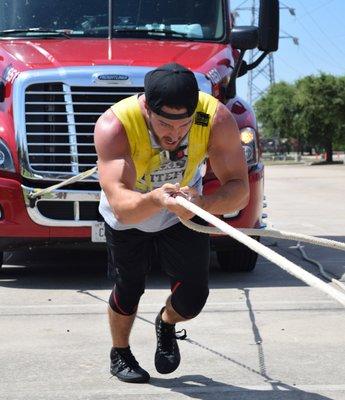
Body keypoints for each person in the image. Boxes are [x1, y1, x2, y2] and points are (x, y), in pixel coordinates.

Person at [94, 63, 249, 383]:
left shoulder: (215, 118)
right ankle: (120, 353)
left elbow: (240, 191)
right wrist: (154, 199)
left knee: (193, 299)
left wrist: (203, 204)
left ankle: (166, 322)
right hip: (131, 214)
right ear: (147, 109)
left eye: (184, 125)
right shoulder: (116, 125)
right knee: (129, 288)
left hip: (184, 211)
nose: (174, 134)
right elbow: (122, 207)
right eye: (164, 123)